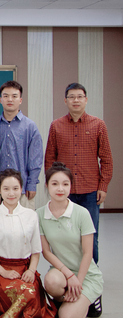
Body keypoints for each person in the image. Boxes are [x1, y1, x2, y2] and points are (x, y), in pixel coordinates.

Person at [45, 82, 112, 267]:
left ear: (86, 100)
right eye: (72, 97)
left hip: (90, 190)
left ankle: (91, 273)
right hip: (63, 191)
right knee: (62, 234)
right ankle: (64, 270)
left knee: (90, 234)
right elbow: (50, 158)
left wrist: (103, 186)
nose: (76, 100)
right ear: (65, 100)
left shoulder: (98, 125)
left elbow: (106, 158)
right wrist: (51, 185)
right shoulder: (56, 125)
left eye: (80, 97)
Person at [0, 169, 57, 317]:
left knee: (30, 293)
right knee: (21, 293)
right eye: (6, 189)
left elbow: (36, 251)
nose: (11, 193)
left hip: (25, 270)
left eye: (15, 188)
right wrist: (4, 272)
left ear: (21, 189)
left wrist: (31, 271)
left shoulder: (31, 215)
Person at [38, 162, 104, 318]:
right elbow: (46, 252)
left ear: (70, 186)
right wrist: (69, 275)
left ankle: (88, 298)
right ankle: (64, 299)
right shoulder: (39, 214)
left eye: (65, 184)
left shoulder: (82, 213)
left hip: (86, 275)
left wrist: (78, 281)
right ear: (47, 185)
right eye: (55, 184)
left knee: (66, 316)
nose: (60, 189)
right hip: (61, 273)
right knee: (51, 281)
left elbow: (88, 253)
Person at [0, 81, 43, 209]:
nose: (10, 99)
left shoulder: (30, 126)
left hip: (22, 188)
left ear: (20, 100)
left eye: (14, 96)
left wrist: (32, 184)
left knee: (24, 221)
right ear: (1, 99)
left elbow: (35, 159)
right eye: (6, 96)